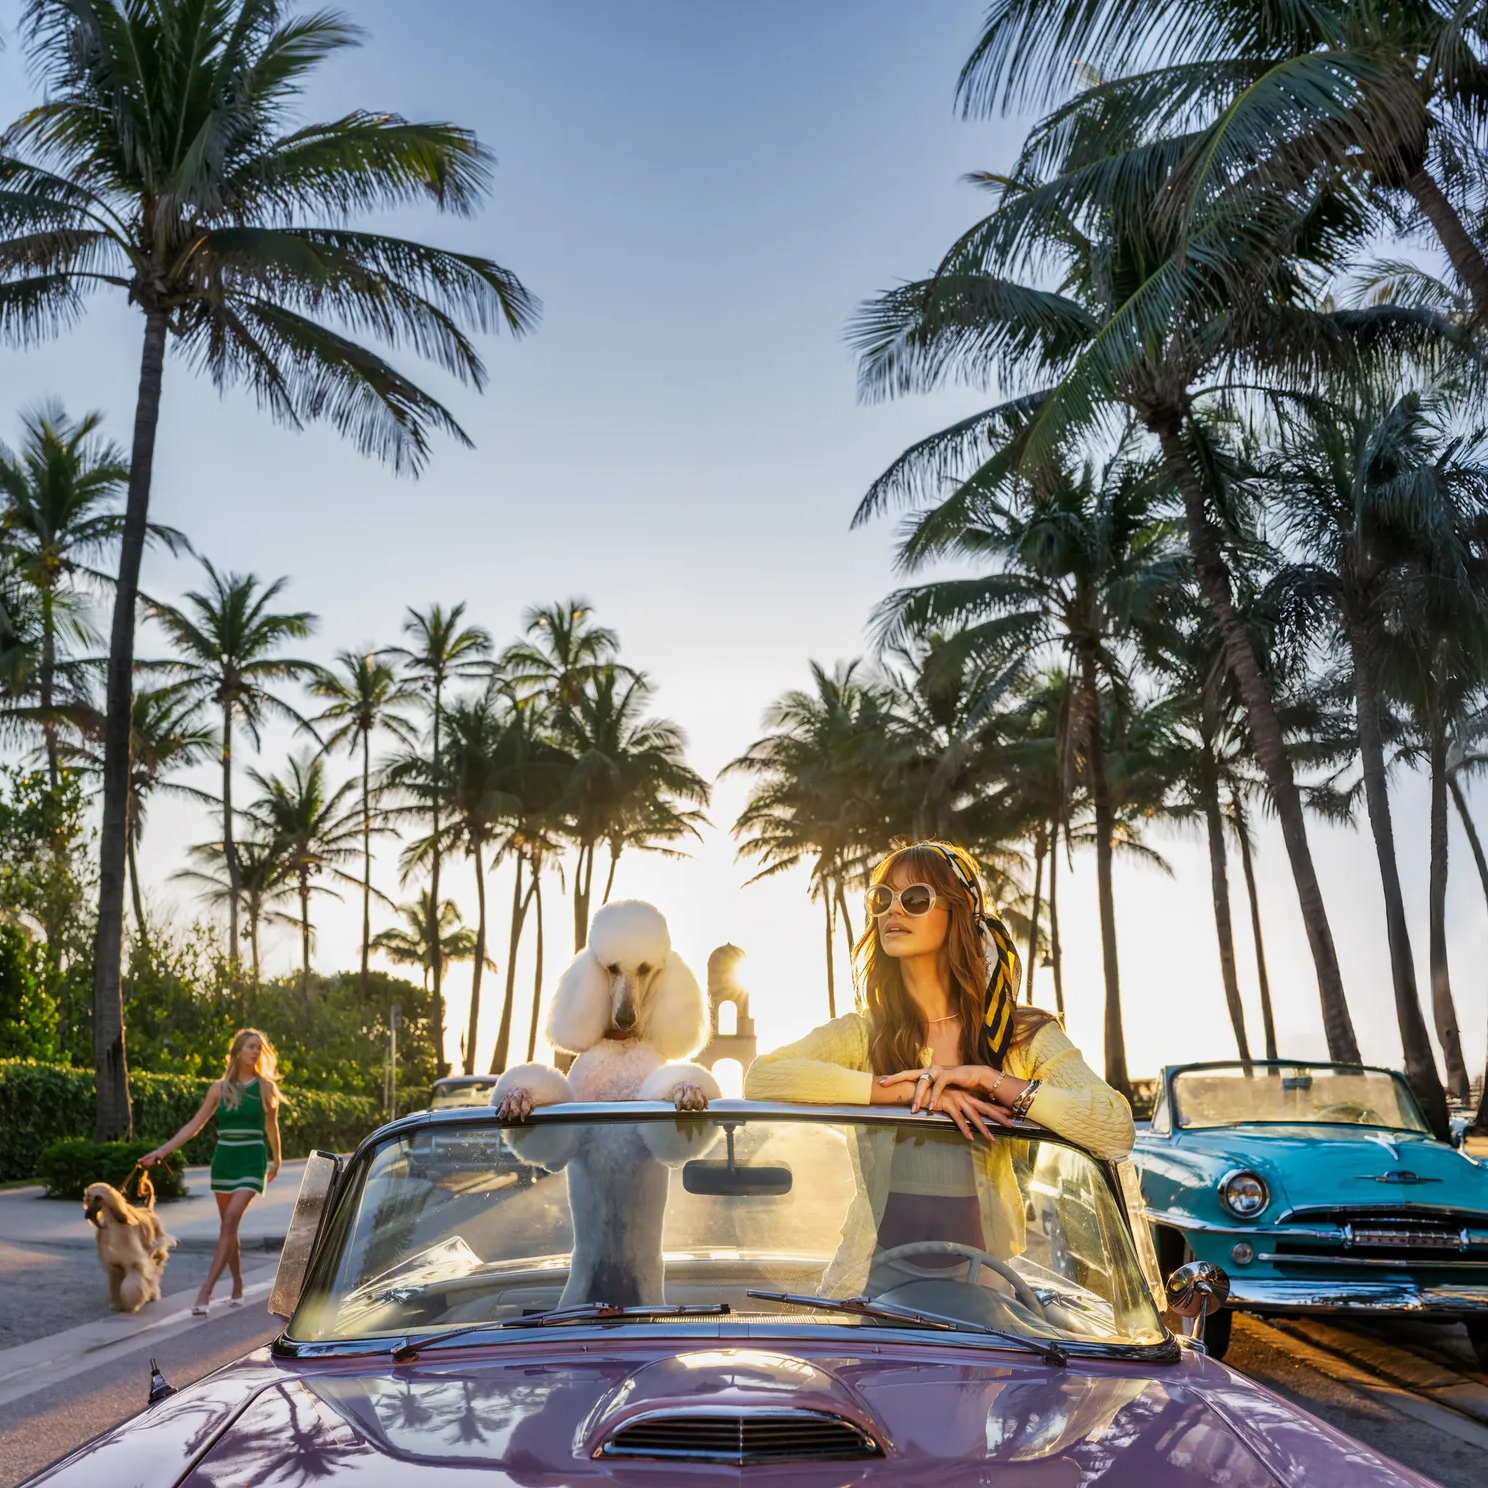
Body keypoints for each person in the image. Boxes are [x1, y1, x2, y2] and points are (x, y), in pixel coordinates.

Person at [744, 841, 1132, 1295]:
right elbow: (762, 1076)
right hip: (869, 1276)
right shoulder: (864, 1034)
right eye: (881, 899)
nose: (893, 911)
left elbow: (1114, 1127)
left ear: (958, 914)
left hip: (986, 1277)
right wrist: (910, 1091)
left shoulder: (1019, 1035)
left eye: (915, 899)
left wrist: (991, 1080)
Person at [141, 1028, 283, 1314]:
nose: (255, 1052)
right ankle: (238, 1283)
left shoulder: (266, 1087)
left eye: (259, 1047)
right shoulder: (219, 1088)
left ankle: (206, 1290)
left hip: (252, 1160)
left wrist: (277, 1160)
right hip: (224, 1161)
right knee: (228, 1229)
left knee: (230, 1221)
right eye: (250, 1046)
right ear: (238, 1051)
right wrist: (161, 1151)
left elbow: (271, 1126)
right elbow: (193, 1126)